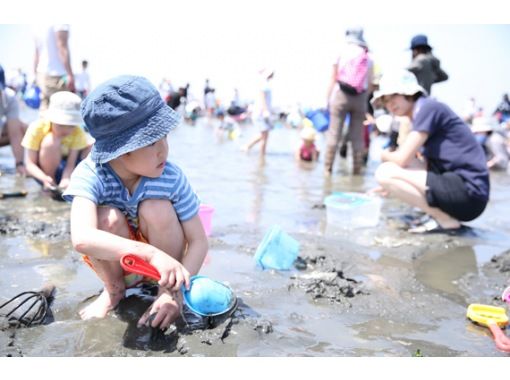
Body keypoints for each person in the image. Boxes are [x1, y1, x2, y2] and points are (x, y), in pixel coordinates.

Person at [62, 75, 208, 330]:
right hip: (122, 261)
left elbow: (199, 240)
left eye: (165, 137)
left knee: (157, 208)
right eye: (152, 142)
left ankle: (165, 290)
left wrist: (176, 292)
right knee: (106, 218)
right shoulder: (91, 173)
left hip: (168, 264)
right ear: (121, 150)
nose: (164, 150)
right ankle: (114, 291)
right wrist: (151, 254)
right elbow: (82, 238)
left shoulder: (170, 177)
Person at [372, 70, 489, 233]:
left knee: (384, 172)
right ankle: (438, 216)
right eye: (385, 100)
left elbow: (401, 159)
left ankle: (445, 220)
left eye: (393, 96)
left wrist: (383, 155)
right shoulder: (424, 111)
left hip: (470, 192)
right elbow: (415, 163)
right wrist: (393, 185)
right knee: (400, 169)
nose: (389, 104)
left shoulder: (428, 108)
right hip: (464, 191)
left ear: (409, 93)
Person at [324, 27, 374, 176]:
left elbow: (333, 78)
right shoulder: (368, 55)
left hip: (341, 95)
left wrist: (327, 100)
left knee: (334, 134)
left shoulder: (341, 50)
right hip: (360, 98)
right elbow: (370, 83)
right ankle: (357, 172)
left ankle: (327, 171)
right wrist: (364, 99)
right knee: (357, 137)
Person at [21, 91, 91, 191]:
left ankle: (80, 183)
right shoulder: (37, 128)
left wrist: (66, 179)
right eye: (61, 125)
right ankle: (50, 184)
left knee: (92, 146)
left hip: (66, 169)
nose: (66, 130)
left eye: (71, 125)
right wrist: (44, 178)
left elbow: (70, 164)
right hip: (42, 172)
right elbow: (29, 164)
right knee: (51, 141)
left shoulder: (77, 131)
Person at [33, 24, 75, 110]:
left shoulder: (37, 25)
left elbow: (36, 53)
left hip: (41, 74)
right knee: (62, 113)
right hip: (56, 76)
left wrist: (35, 75)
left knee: (45, 111)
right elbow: (62, 46)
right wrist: (70, 74)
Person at [0, 64, 28, 175]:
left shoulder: (9, 98)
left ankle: (24, 165)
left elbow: (15, 134)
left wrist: (19, 163)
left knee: (22, 127)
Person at [242, 68, 275, 155]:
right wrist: (265, 111)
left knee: (264, 136)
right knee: (264, 136)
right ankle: (261, 157)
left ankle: (248, 147)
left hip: (262, 113)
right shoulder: (264, 84)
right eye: (271, 74)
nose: (272, 75)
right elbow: (262, 97)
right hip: (261, 114)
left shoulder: (264, 83)